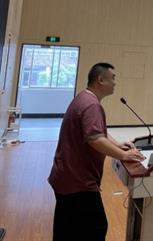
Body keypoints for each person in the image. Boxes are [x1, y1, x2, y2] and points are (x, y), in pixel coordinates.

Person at [49, 63, 145, 241]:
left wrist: (117, 145)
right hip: (77, 182)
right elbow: (95, 140)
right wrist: (124, 155)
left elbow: (99, 132)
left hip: (66, 176)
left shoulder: (84, 98)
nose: (115, 82)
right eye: (113, 78)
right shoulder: (92, 105)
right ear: (101, 80)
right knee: (95, 227)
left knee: (67, 229)